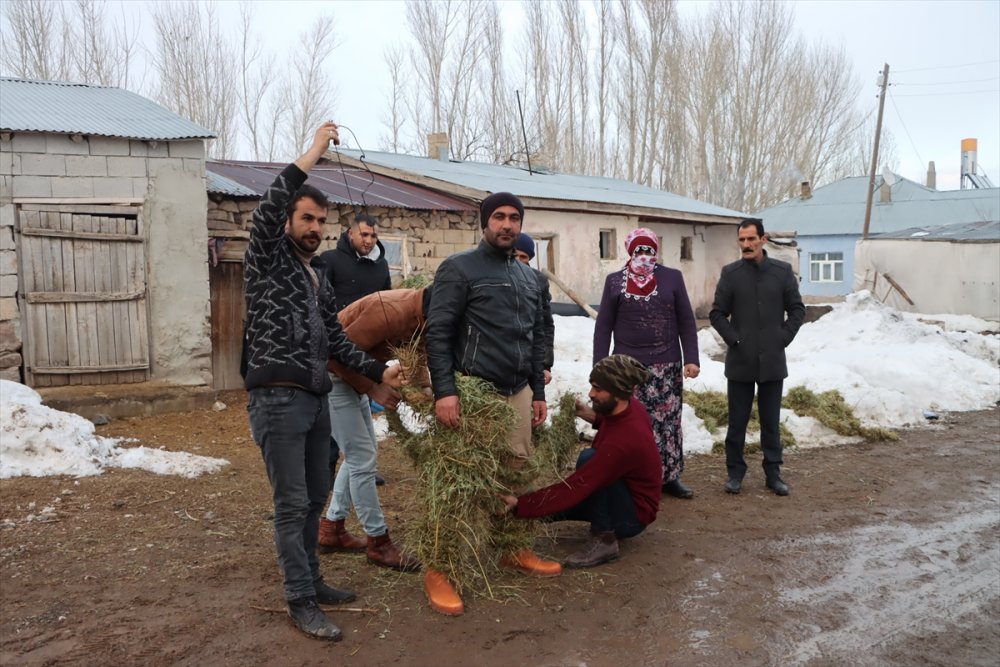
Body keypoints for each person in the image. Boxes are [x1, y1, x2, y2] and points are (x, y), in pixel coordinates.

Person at [243, 122, 403, 641]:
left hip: (313, 398)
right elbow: (272, 202)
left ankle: (313, 579)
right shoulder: (266, 257)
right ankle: (300, 599)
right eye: (306, 217)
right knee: (291, 503)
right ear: (287, 220)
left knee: (313, 499)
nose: (314, 226)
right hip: (277, 397)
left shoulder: (316, 276)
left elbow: (336, 338)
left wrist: (380, 372)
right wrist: (315, 150)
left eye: (320, 220)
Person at [424, 191, 557, 615]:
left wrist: (537, 391)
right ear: (484, 222)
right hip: (471, 392)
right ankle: (439, 569)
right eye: (498, 217)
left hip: (517, 390)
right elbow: (438, 334)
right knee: (457, 484)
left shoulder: (530, 279)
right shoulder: (459, 269)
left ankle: (511, 547)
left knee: (517, 473)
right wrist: (445, 390)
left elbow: (536, 339)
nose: (506, 225)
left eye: (514, 218)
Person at [500, 355, 662, 568]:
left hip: (632, 517)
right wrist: (588, 414)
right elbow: (613, 423)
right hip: (623, 494)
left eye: (597, 388)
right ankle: (535, 512)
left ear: (617, 391)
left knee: (588, 460)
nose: (590, 393)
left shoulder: (622, 444)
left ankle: (605, 539)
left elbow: (578, 485)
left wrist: (522, 504)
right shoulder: (631, 407)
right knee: (552, 507)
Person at [317, 288, 429, 572]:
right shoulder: (390, 311)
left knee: (361, 453)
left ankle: (331, 530)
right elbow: (334, 354)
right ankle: (378, 542)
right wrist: (374, 388)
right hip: (331, 373)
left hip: (353, 375)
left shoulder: (425, 315)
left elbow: (419, 354)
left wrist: (426, 390)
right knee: (361, 457)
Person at [593, 228, 700, 499]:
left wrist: (692, 359)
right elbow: (603, 327)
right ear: (630, 252)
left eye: (649, 250)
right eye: (639, 250)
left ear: (656, 251)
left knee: (668, 422)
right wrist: (600, 368)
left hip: (667, 364)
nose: (644, 256)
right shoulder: (615, 281)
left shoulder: (672, 278)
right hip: (627, 368)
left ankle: (670, 477)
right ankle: (634, 477)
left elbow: (687, 320)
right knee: (633, 424)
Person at [709, 219, 805, 497]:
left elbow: (797, 310)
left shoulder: (782, 272)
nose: (746, 245)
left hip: (773, 361)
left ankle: (773, 473)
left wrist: (782, 338)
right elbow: (717, 313)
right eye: (742, 240)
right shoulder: (731, 274)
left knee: (770, 422)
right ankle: (735, 473)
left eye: (751, 239)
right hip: (740, 361)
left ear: (763, 239)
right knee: (737, 422)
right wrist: (734, 339)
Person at [320, 213, 391, 487]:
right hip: (334, 351)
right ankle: (327, 470)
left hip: (365, 353)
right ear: (350, 234)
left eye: (373, 236)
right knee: (331, 417)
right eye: (364, 234)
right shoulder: (330, 261)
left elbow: (385, 303)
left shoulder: (380, 265)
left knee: (361, 411)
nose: (369, 240)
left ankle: (364, 468)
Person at [514, 233, 555, 385]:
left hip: (530, 357)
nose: (518, 261)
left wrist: (546, 365)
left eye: (523, 257)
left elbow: (546, 325)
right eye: (514, 255)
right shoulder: (493, 278)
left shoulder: (538, 280)